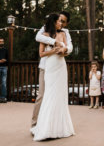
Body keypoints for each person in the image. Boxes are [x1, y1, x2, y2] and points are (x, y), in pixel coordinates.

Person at [30, 13, 75, 141]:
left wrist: (64, 50)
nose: (61, 23)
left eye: (63, 21)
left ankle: (56, 126)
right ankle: (35, 125)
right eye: (59, 20)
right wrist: (54, 42)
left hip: (59, 66)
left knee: (59, 96)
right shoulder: (44, 29)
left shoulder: (65, 32)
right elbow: (38, 37)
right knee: (42, 95)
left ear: (66, 23)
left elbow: (69, 47)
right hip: (46, 67)